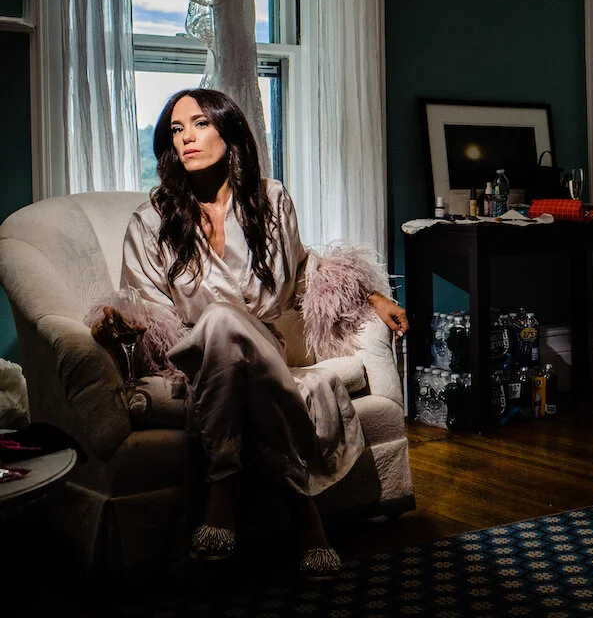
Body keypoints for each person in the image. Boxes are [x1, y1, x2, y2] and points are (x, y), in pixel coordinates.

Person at [90, 88, 408, 580]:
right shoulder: (151, 220)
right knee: (219, 320)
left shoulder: (271, 199)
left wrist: (369, 294)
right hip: (197, 355)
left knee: (231, 324)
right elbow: (147, 309)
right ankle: (304, 511)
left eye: (200, 124)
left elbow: (302, 268)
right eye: (177, 129)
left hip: (266, 345)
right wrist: (120, 321)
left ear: (229, 131)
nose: (187, 137)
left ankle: (222, 490)